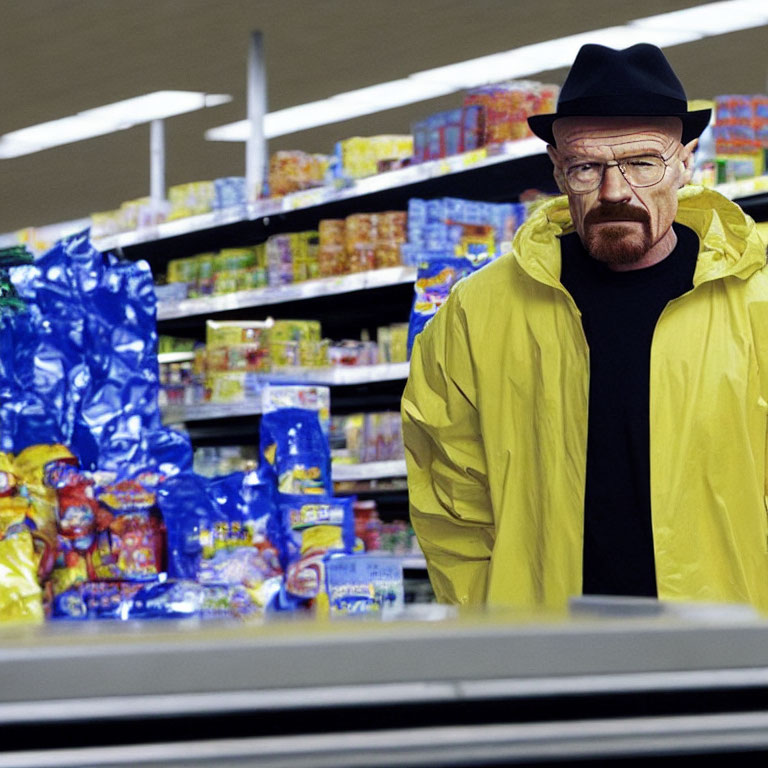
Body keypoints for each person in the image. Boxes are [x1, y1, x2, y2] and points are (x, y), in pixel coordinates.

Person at [402, 43, 768, 611]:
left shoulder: (758, 300)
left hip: (728, 650)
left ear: (687, 161)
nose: (614, 190)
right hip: (545, 657)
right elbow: (451, 503)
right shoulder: (477, 313)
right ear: (557, 170)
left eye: (643, 162)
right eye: (586, 166)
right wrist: (492, 627)